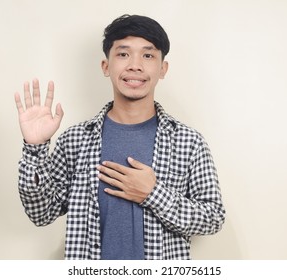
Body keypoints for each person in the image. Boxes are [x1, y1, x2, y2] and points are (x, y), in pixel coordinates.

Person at [14, 14, 225, 260]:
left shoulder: (189, 142)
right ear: (106, 66)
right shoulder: (75, 140)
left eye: (148, 55)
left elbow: (213, 217)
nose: (135, 65)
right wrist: (35, 148)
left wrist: (153, 193)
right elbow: (42, 213)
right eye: (123, 54)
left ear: (162, 69)